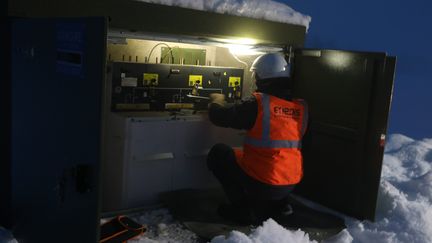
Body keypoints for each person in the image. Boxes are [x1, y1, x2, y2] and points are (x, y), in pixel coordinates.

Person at [206, 52, 308, 225]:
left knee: (219, 153)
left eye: (255, 76)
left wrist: (217, 101)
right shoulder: (301, 108)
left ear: (261, 77)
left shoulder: (258, 104)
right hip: (291, 182)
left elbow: (219, 117)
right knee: (250, 157)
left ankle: (242, 209)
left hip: (264, 181)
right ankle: (280, 205)